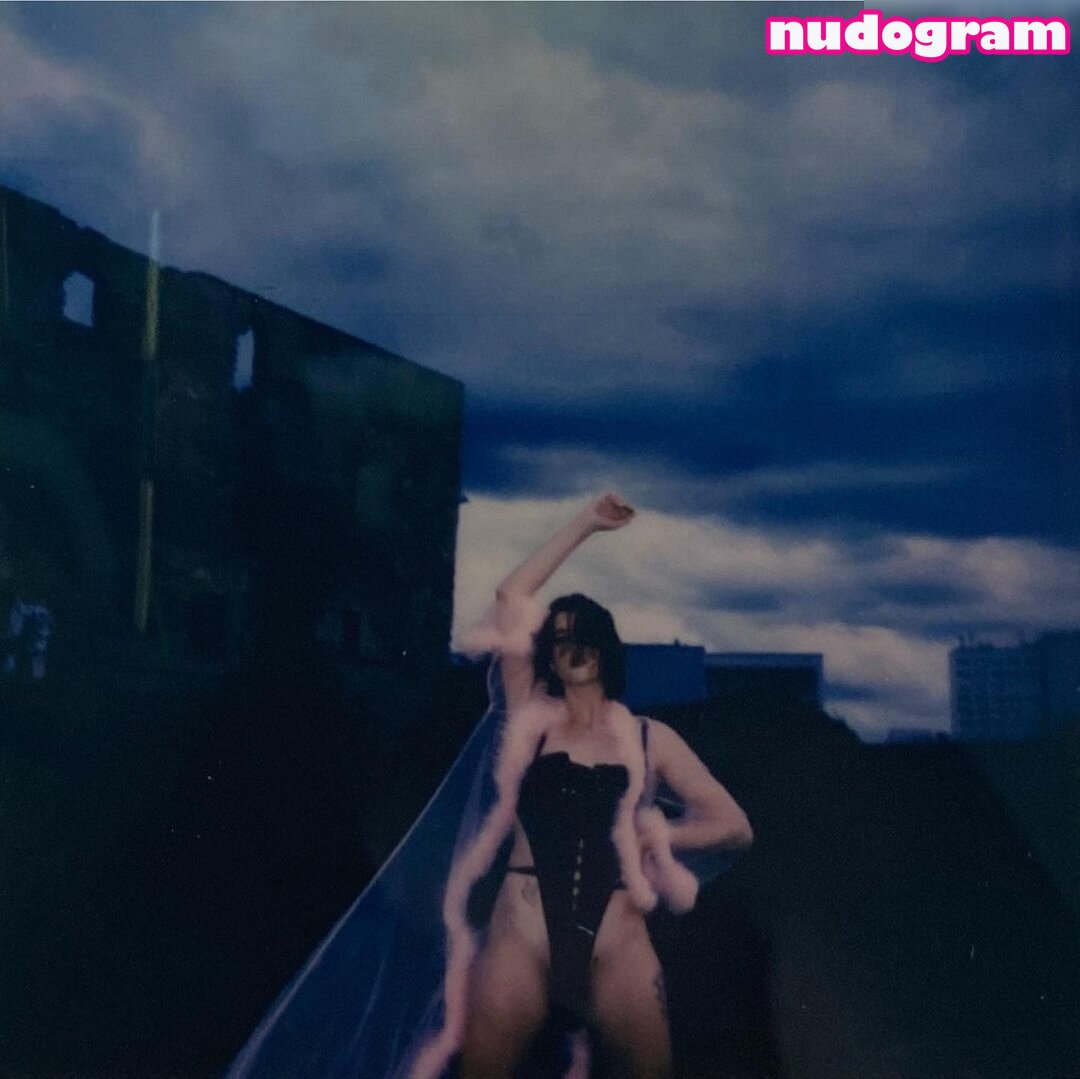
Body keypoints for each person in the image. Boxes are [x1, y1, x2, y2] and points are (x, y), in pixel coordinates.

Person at [413, 493, 754, 1079]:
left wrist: (655, 836)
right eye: (560, 638)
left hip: (617, 945)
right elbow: (510, 598)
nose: (572, 648)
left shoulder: (650, 738)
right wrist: (586, 524)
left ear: (604, 648)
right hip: (520, 938)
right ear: (549, 654)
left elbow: (735, 827)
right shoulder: (530, 720)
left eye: (584, 636)